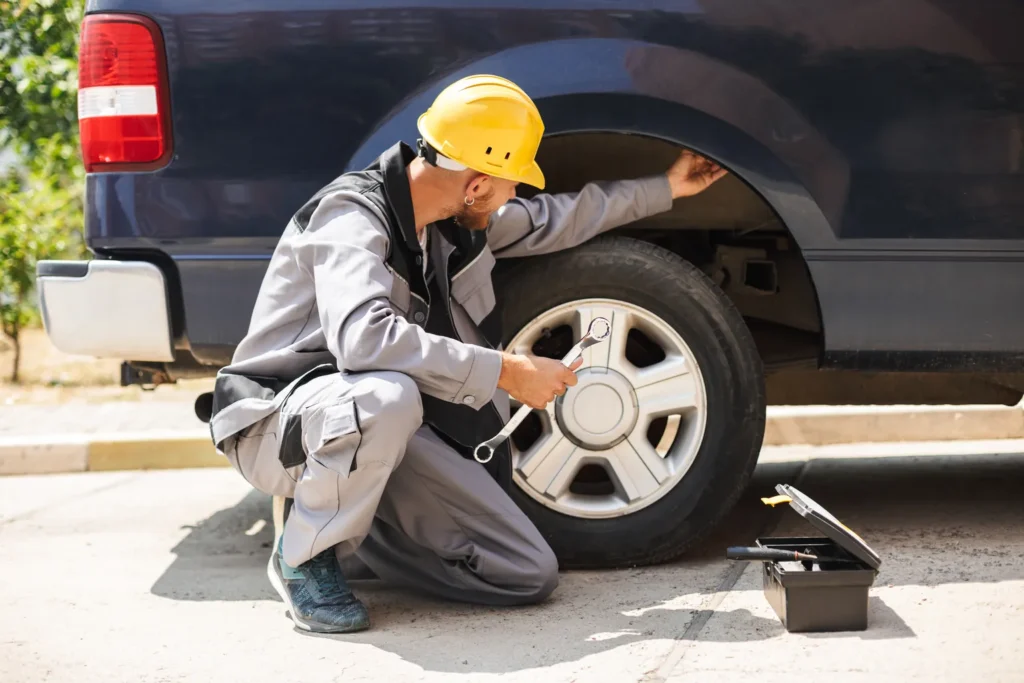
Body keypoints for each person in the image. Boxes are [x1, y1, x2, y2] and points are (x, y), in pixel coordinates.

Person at [206, 74, 727, 634]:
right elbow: (363, 338)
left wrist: (668, 187)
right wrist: (506, 372)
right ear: (476, 184)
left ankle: (341, 520)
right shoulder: (351, 218)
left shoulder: (449, 222)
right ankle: (306, 558)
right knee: (389, 394)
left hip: (375, 428)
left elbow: (558, 217)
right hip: (283, 425)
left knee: (525, 573)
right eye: (511, 185)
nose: (517, 196)